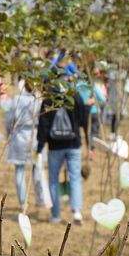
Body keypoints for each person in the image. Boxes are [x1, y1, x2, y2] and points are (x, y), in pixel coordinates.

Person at [36, 86, 88, 225]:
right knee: (75, 177)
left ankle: (56, 215)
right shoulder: (75, 97)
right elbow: (83, 118)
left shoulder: (48, 100)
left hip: (55, 146)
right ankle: (76, 212)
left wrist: (39, 147)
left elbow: (43, 125)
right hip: (74, 144)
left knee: (53, 179)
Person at [6, 80, 43, 211]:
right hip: (34, 136)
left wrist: (8, 133)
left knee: (19, 169)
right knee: (36, 168)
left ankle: (23, 201)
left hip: (19, 135)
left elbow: (9, 119)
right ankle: (40, 198)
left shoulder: (16, 99)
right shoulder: (38, 101)